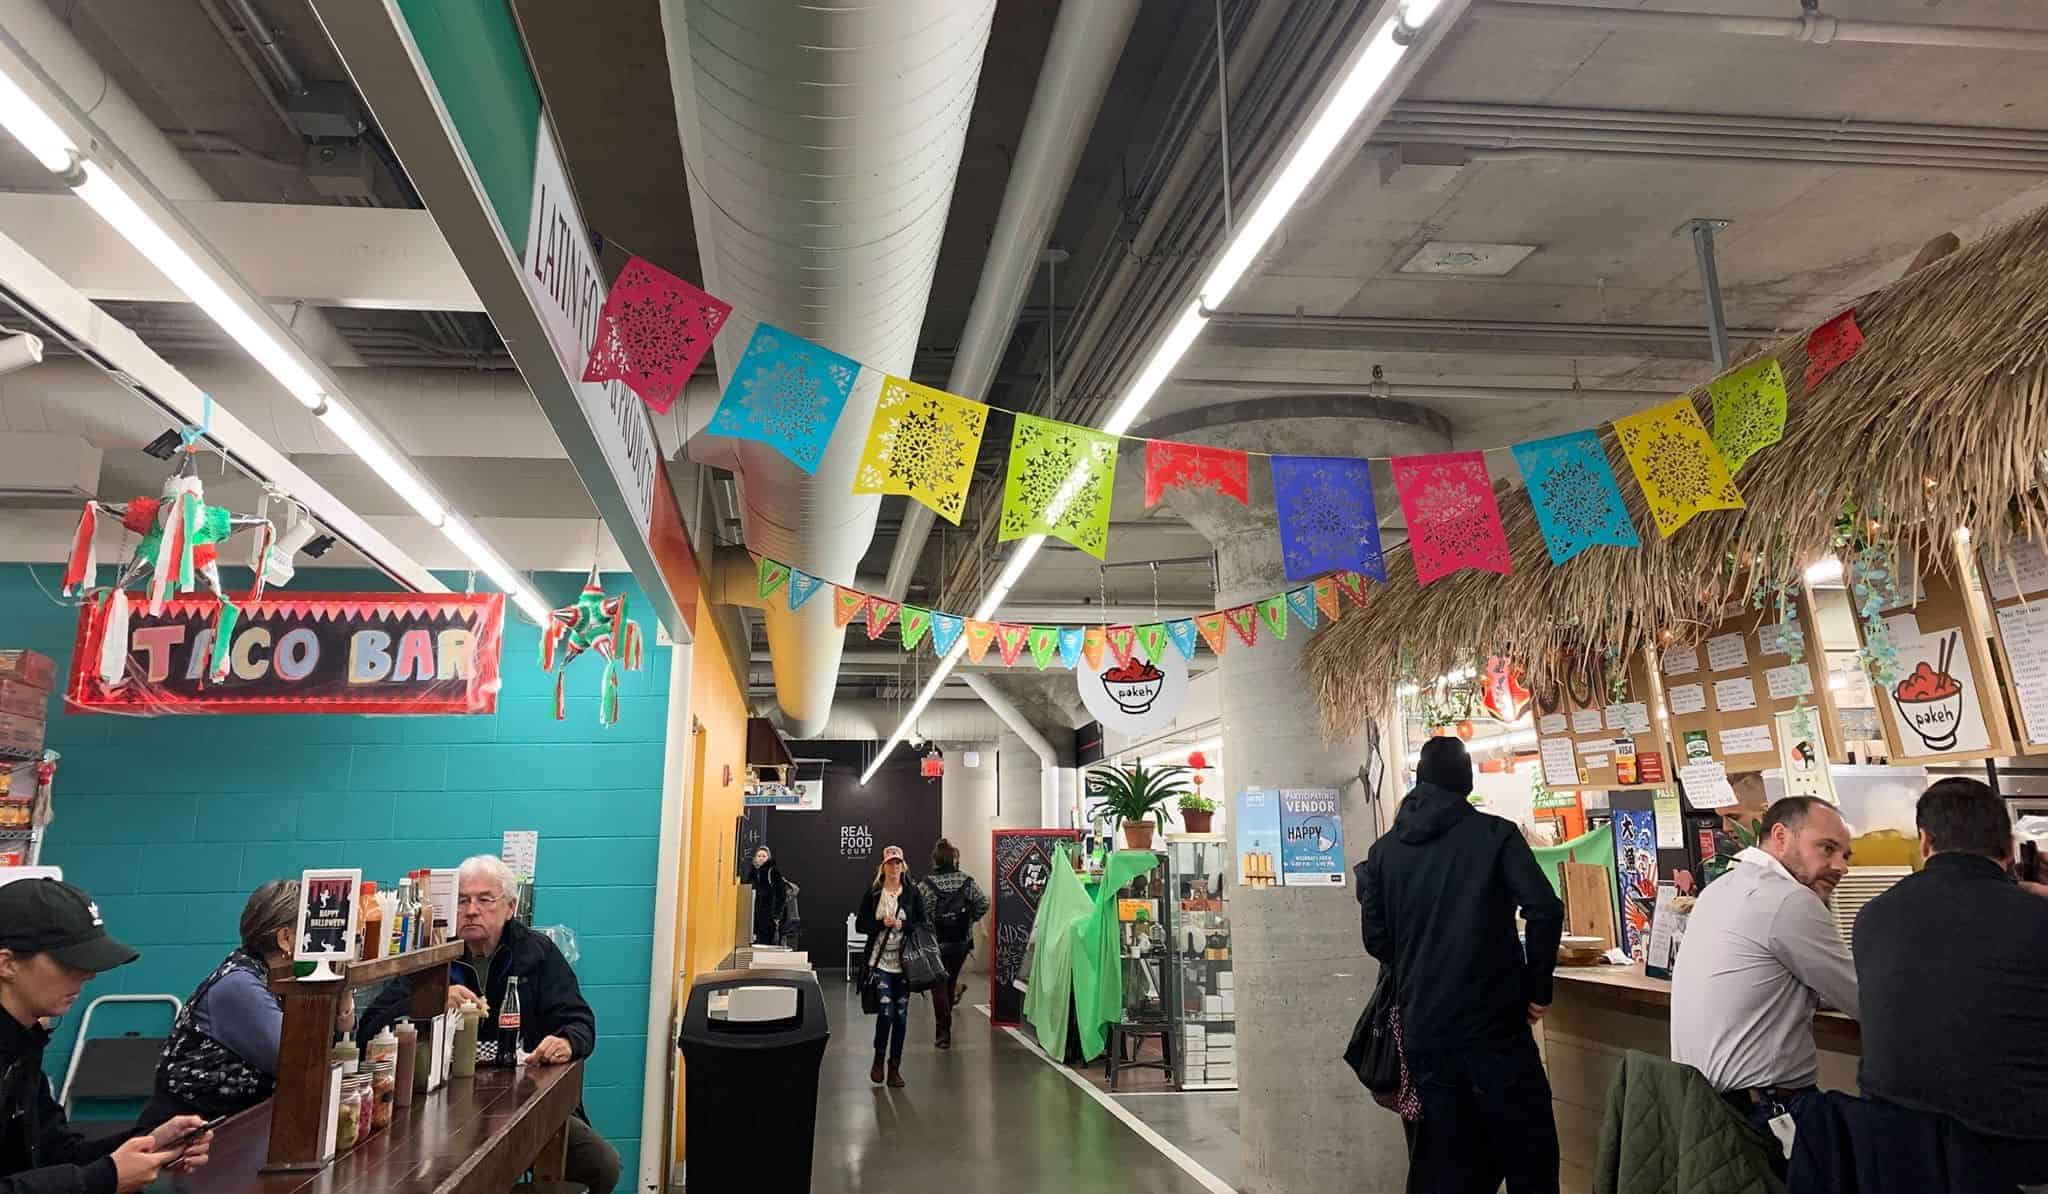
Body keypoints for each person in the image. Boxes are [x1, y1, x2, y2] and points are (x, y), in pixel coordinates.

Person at [1360, 736, 1564, 1193]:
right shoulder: (1495, 836)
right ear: (1466, 782)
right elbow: (1544, 910)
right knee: (1530, 1158)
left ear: (1420, 781)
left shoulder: (1384, 852)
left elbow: (1377, 942)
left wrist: (1422, 960)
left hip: (1425, 1034)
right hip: (1495, 1030)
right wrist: (1537, 990)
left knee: (1451, 1168)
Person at [358, 856, 619, 1194]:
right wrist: (432, 1000)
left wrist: (567, 1041)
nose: (471, 910)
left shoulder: (536, 953)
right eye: (463, 900)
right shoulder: (433, 956)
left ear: (510, 907)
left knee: (602, 1165)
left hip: (524, 1098)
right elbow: (371, 1025)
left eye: (485, 899)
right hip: (442, 1107)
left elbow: (579, 1020)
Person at [1852, 778, 2048, 1188]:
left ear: (1924, 842)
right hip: (2022, 1154)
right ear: (2011, 847)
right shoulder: (2034, 916)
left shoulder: (1872, 916)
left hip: (1900, 1153)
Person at [0, 878, 215, 1194]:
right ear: (7, 964)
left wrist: (150, 1142)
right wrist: (105, 1179)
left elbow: (56, 1154)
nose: (88, 974)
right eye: (69, 961)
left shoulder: (23, 1046)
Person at [1670, 795, 1858, 1134]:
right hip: (1762, 1113)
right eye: (1827, 848)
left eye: (1845, 855)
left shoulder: (1720, 888)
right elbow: (1864, 1000)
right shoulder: (1790, 900)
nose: (1841, 867)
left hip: (1701, 1109)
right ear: (1781, 836)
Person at [139, 880, 349, 1131]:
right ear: (285, 938)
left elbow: (330, 1040)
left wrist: (343, 996)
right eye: (313, 933)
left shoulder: (269, 978)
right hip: (181, 1140)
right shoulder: (239, 985)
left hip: (226, 1130)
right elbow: (300, 1061)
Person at [855, 845, 927, 1089]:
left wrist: (902, 925)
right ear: (883, 867)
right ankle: (878, 1059)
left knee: (901, 1016)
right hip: (879, 962)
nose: (894, 868)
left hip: (905, 963)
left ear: (903, 866)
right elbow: (861, 925)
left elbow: (922, 924)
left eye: (898, 863)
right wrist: (881, 924)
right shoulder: (874, 893)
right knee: (886, 1013)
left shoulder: (912, 893)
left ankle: (895, 1066)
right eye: (890, 863)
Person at [917, 838, 990, 1050]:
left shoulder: (926, 885)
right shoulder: (966, 881)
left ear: (936, 860)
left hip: (936, 944)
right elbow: (983, 903)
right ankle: (946, 1027)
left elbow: (919, 913)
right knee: (950, 983)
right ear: (954, 859)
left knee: (938, 987)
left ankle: (943, 1035)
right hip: (960, 943)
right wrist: (970, 920)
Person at [746, 846, 789, 946]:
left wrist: (777, 915)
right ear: (755, 858)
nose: (761, 858)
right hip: (755, 915)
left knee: (767, 942)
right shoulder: (752, 872)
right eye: (759, 856)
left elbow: (781, 894)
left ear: (768, 858)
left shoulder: (772, 871)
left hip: (770, 915)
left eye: (764, 856)